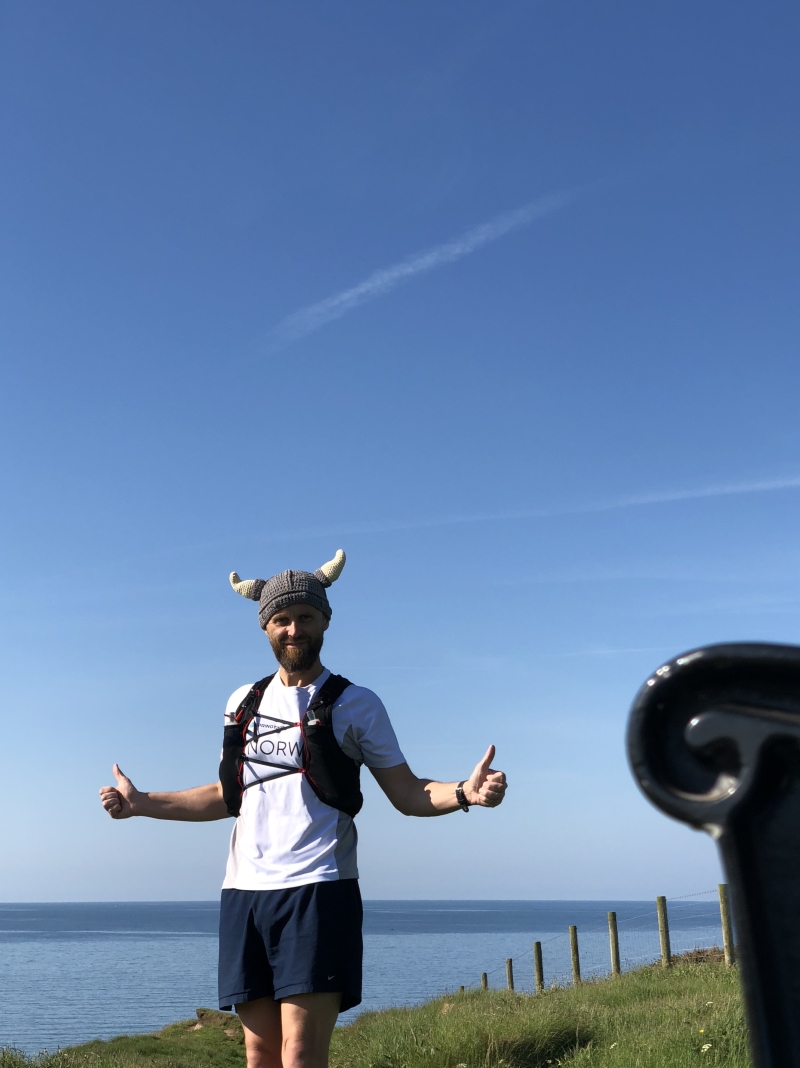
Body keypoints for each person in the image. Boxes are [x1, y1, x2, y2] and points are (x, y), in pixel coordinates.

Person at [99, 550, 507, 1068]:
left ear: (325, 621)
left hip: (319, 888)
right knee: (259, 1053)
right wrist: (141, 804)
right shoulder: (241, 702)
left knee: (299, 1053)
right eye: (282, 619)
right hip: (243, 892)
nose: (294, 629)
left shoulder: (356, 703)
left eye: (306, 617)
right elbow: (230, 795)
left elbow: (407, 793)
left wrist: (465, 792)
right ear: (266, 627)